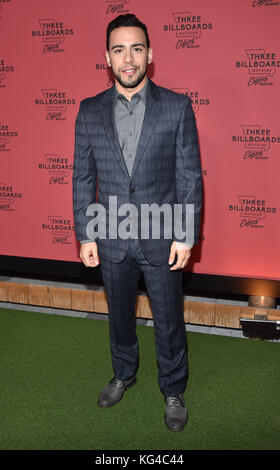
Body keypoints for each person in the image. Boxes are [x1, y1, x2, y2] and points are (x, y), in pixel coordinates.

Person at [73, 13, 202, 432]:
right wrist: (86, 232)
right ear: (106, 58)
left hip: (162, 236)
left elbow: (188, 174)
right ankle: (123, 373)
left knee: (168, 318)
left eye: (136, 48)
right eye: (118, 49)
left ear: (151, 53)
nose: (128, 58)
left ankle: (173, 388)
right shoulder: (89, 110)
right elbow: (83, 176)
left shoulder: (177, 107)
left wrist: (185, 235)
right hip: (110, 236)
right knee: (119, 316)